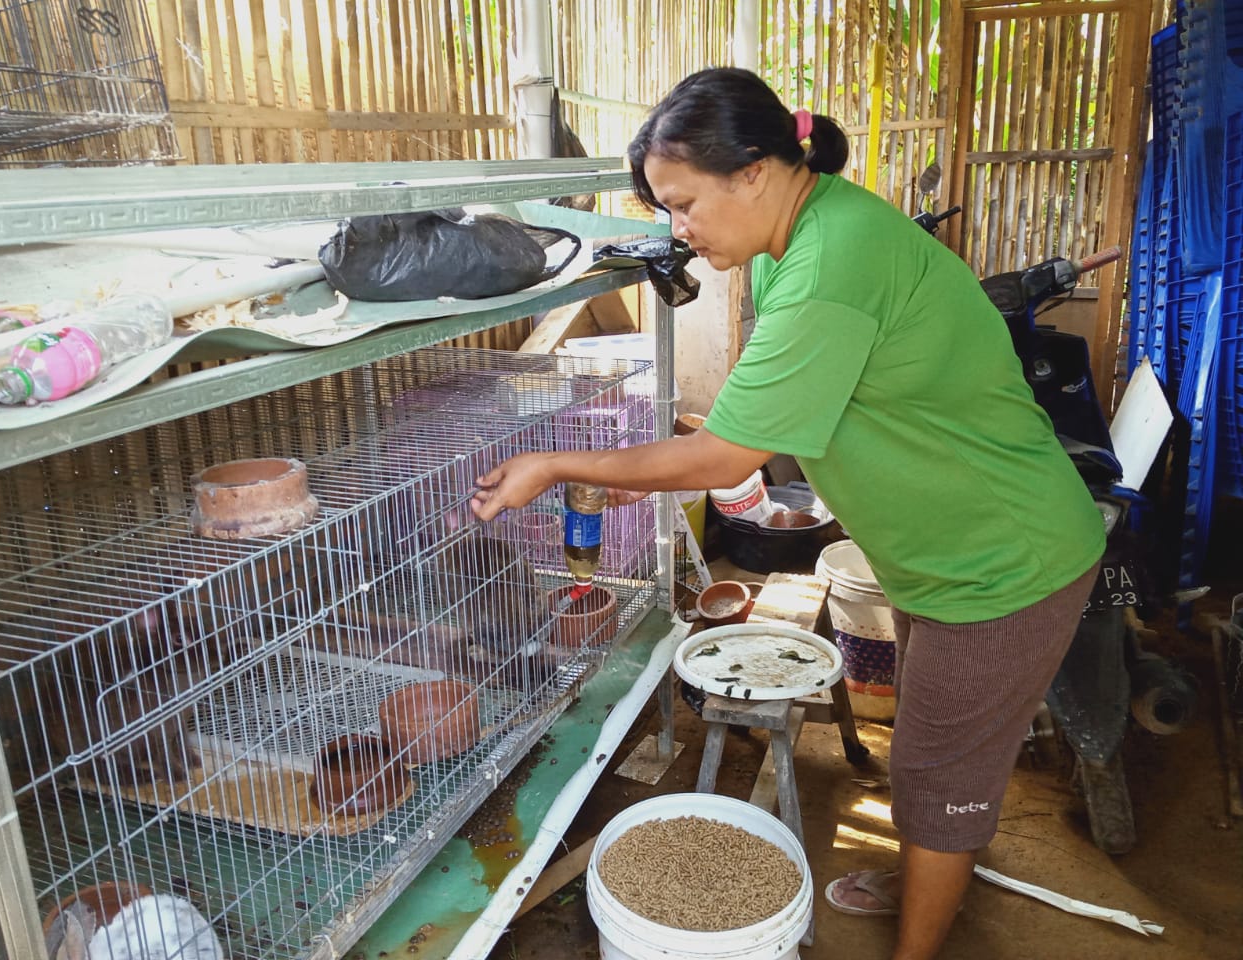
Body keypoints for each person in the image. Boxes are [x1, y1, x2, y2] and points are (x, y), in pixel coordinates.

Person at [470, 67, 1103, 960]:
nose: (677, 231)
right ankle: (929, 867)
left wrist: (559, 461)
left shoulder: (831, 263)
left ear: (756, 171)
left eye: (684, 204)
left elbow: (729, 455)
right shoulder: (806, 239)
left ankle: (920, 937)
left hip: (1003, 562)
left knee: (938, 768)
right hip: (949, 552)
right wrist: (646, 469)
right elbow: (761, 419)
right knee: (938, 751)